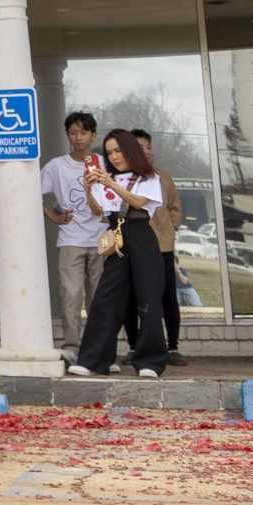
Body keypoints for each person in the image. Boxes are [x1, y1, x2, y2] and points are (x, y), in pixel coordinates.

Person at [69, 131, 170, 380]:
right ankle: (93, 359)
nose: (114, 157)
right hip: (117, 238)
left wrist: (110, 184)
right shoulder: (108, 178)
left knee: (148, 299)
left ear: (129, 150)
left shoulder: (148, 176)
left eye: (118, 150)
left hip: (141, 236)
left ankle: (150, 361)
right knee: (106, 299)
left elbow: (138, 203)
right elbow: (98, 212)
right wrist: (89, 188)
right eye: (110, 152)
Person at [41, 112, 102, 352]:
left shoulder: (104, 164)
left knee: (100, 296)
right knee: (71, 294)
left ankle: (98, 348)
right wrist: (51, 214)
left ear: (93, 135)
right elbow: (28, 191)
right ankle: (71, 347)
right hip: (71, 238)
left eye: (83, 132)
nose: (78, 138)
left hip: (102, 239)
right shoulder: (57, 166)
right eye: (73, 133)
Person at [135, 129, 186, 367]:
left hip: (163, 244)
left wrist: (169, 226)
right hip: (136, 245)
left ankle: (173, 347)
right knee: (138, 298)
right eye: (139, 147)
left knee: (167, 296)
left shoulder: (163, 177)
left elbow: (176, 207)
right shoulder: (124, 179)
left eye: (148, 146)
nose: (146, 151)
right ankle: (138, 347)